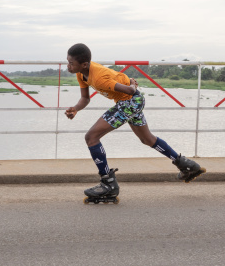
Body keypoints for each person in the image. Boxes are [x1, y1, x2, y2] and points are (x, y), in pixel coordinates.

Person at [65, 43, 206, 201]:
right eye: (68, 61)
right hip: (131, 101)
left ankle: (108, 183)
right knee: (147, 139)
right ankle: (187, 166)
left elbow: (130, 91)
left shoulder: (98, 78)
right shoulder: (81, 73)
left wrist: (131, 83)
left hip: (130, 101)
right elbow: (85, 98)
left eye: (71, 63)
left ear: (84, 64)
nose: (68, 66)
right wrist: (76, 108)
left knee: (91, 137)